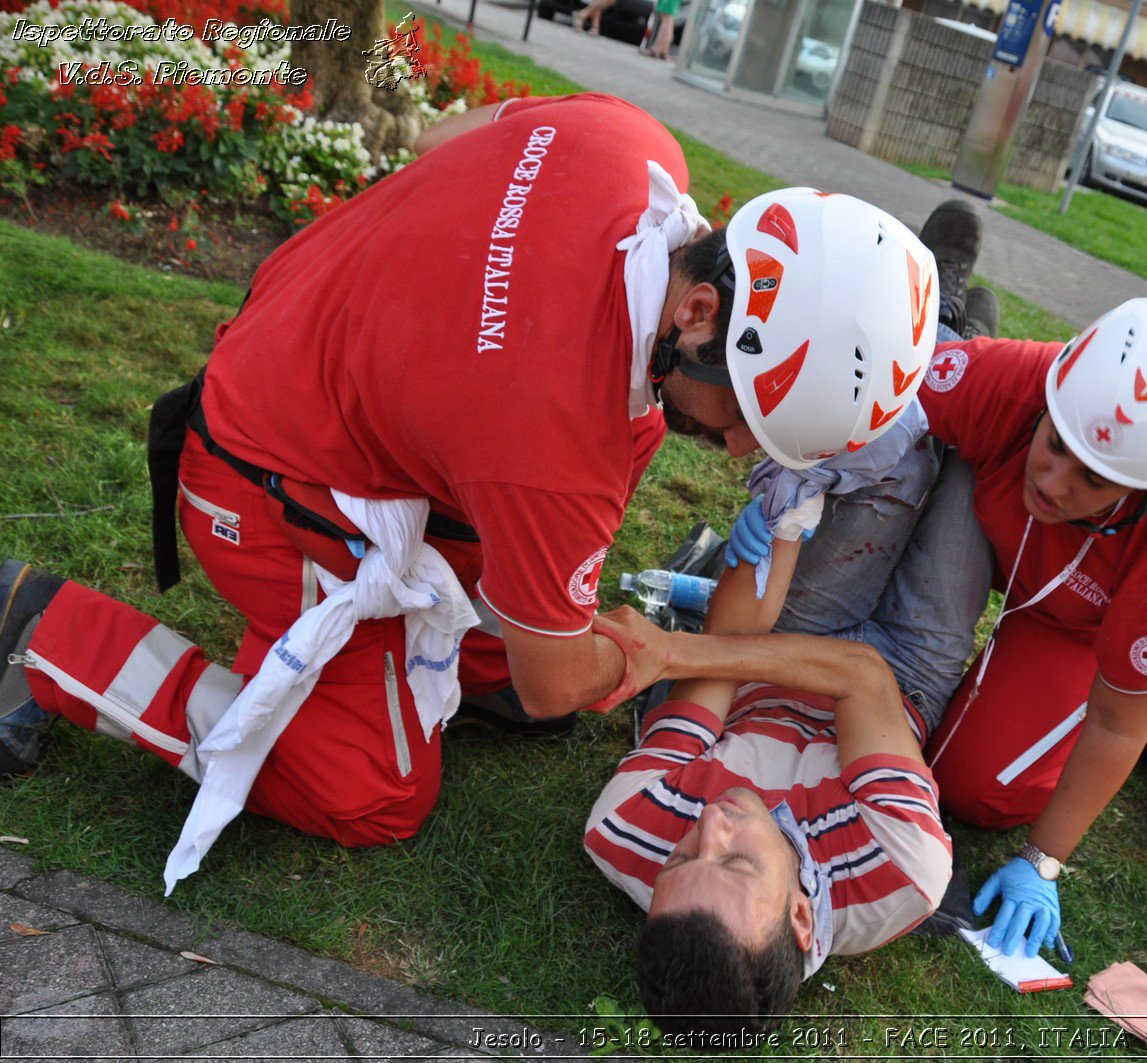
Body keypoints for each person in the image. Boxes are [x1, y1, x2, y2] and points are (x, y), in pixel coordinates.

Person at [0, 93, 939, 892]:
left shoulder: (631, 143)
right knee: (371, 790)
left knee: (529, 679)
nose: (736, 449)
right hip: (259, 488)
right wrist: (651, 654)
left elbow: (441, 142)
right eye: (743, 417)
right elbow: (561, 674)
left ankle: (407, 656)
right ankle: (42, 630)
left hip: (290, 360)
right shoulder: (559, 441)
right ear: (697, 314)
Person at [726, 200, 1147, 960]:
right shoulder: (1022, 381)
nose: (1057, 481)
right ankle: (949, 319)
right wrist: (794, 485)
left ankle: (954, 322)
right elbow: (878, 404)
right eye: (1055, 442)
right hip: (980, 514)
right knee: (912, 428)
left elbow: (1120, 720)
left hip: (1065, 619)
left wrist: (1043, 862)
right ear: (1053, 396)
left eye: (1093, 478)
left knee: (976, 788)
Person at [584, 533, 953, 1041]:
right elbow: (864, 677)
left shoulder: (625, 823)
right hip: (907, 680)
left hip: (776, 643)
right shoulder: (902, 871)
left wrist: (782, 524)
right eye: (736, 861)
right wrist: (669, 650)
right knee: (977, 489)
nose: (710, 822)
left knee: (877, 471)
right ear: (801, 916)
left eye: (680, 859)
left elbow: (717, 650)